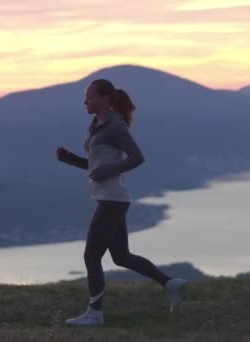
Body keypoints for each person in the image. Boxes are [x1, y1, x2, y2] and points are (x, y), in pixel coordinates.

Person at [56, 78, 188, 326]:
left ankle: (95, 313)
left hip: (112, 199)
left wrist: (109, 171)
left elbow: (138, 158)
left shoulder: (115, 126)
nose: (85, 101)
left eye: (90, 96)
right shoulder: (96, 124)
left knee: (91, 255)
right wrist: (70, 159)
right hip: (109, 197)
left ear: (105, 99)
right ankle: (171, 283)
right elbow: (97, 167)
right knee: (121, 257)